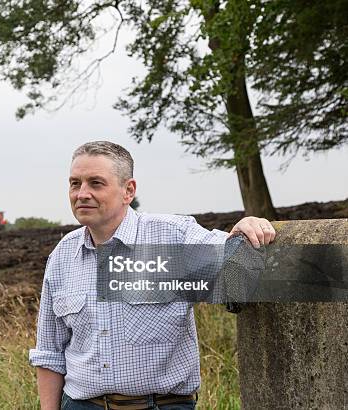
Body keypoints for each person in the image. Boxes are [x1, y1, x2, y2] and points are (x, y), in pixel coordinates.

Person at [29, 141, 276, 410]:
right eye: (75, 183)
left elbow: (232, 258)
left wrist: (246, 230)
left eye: (96, 183)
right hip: (80, 405)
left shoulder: (173, 237)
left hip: (160, 405)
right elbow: (50, 353)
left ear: (128, 190)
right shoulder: (62, 256)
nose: (82, 193)